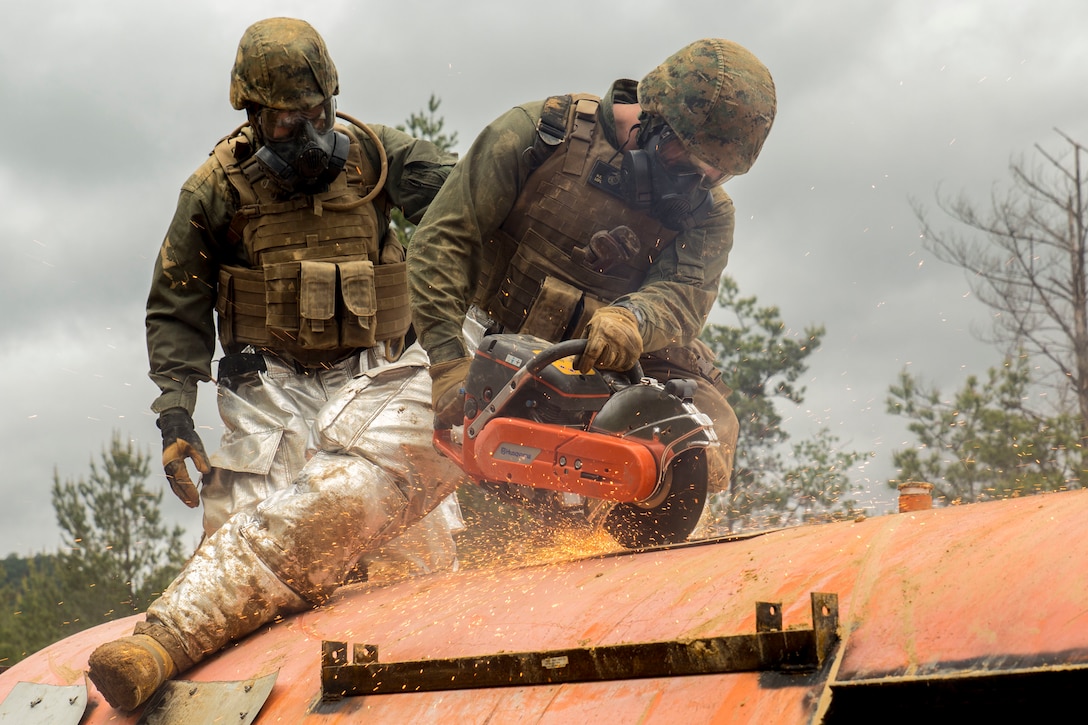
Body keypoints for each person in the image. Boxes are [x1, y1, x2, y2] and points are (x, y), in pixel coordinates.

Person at [87, 17, 465, 711]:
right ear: (253, 114)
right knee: (240, 550)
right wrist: (176, 413)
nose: (304, 130)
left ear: (332, 98)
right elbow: (177, 305)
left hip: (373, 372)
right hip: (271, 386)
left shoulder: (379, 159)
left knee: (414, 543)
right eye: (285, 121)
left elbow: (469, 207)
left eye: (315, 113)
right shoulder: (216, 189)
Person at [407, 38, 777, 526]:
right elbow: (442, 242)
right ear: (653, 116)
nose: (696, 182)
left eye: (714, 173)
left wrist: (633, 320)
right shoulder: (538, 135)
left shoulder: (709, 213)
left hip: (616, 368)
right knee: (391, 457)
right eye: (686, 160)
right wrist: (448, 363)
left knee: (699, 446)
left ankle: (616, 541)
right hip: (482, 340)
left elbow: (685, 297)